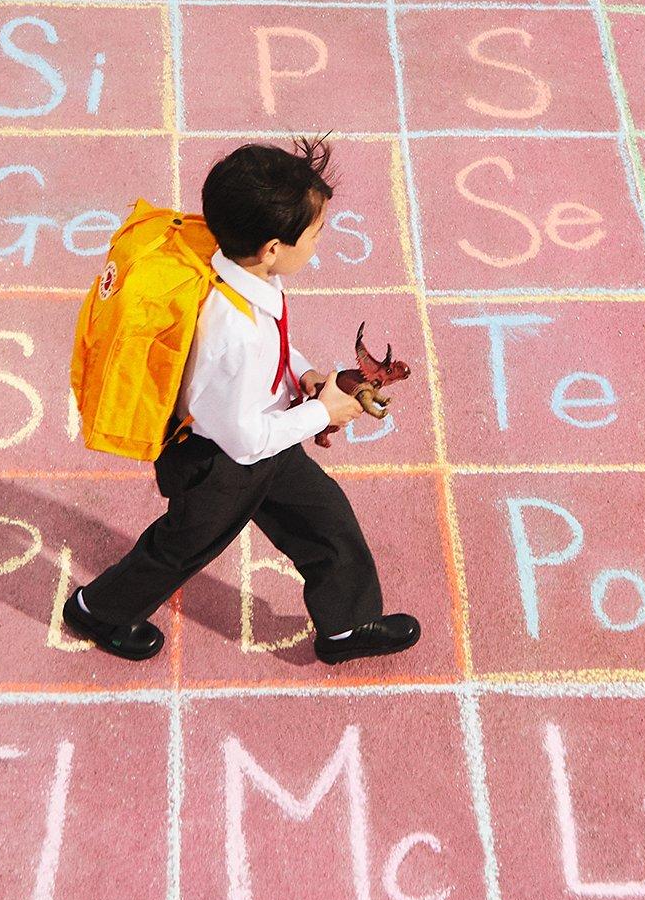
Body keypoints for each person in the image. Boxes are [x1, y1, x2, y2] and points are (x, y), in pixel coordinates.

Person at [63, 137, 422, 665]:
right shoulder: (237, 332)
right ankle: (97, 611)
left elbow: (272, 346)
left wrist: (306, 376)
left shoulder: (234, 270)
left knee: (325, 520)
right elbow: (244, 439)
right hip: (220, 464)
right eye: (316, 232)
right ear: (274, 247)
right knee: (181, 547)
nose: (321, 240)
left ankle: (344, 627)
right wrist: (323, 412)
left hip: (263, 434)